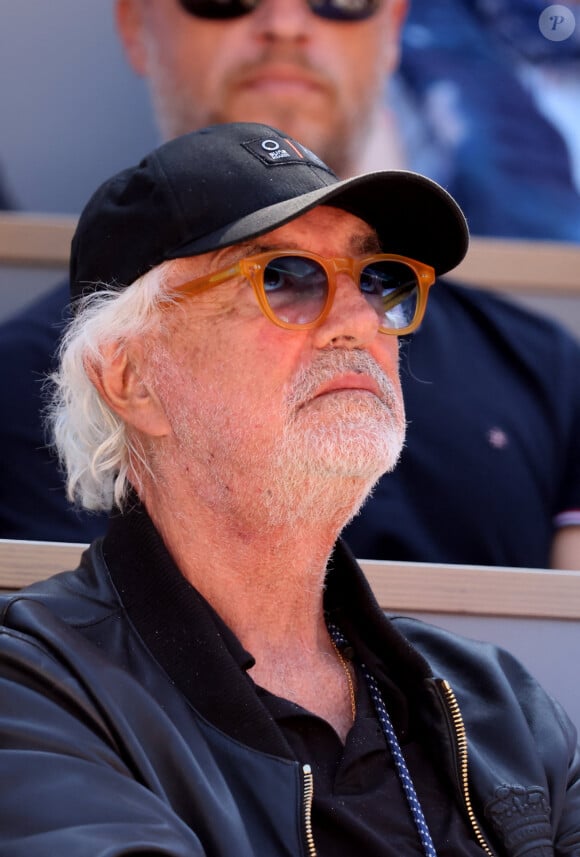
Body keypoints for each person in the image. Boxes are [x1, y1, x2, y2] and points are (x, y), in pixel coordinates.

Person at [1, 121, 579, 856]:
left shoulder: (499, 704)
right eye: (284, 277)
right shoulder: (36, 689)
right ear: (131, 378)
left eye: (377, 279)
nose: (360, 320)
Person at [1, 0, 580, 571]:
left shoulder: (548, 367)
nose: (283, 24)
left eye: (342, 1)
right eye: (278, 277)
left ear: (395, 27)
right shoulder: (19, 377)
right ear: (135, 24)